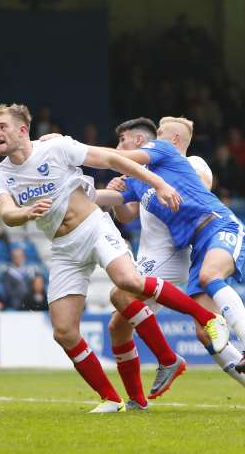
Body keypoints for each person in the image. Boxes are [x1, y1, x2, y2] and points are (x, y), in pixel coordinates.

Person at [0, 103, 228, 413]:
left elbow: (111, 159)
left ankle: (208, 319)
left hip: (94, 227)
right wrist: (23, 212)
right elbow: (6, 213)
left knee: (127, 282)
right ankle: (112, 400)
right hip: (64, 249)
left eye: (2, 126)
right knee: (64, 331)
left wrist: (159, 182)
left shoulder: (56, 147)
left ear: (22, 130)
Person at [95, 117, 245, 408]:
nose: (119, 146)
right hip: (170, 255)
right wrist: (70, 193)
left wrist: (71, 149)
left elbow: (199, 186)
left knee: (121, 294)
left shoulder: (187, 162)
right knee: (123, 326)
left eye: (122, 141)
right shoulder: (143, 178)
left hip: (178, 253)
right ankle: (138, 398)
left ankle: (167, 360)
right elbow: (125, 212)